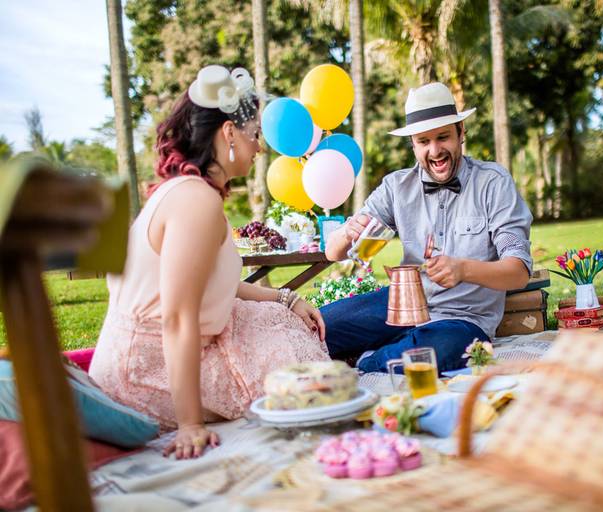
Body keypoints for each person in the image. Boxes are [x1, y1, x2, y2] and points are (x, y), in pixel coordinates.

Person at [89, 65, 328, 460]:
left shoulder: (193, 194)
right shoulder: (194, 200)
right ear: (229, 133)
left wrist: (286, 298)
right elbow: (178, 317)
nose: (259, 148)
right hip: (145, 372)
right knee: (293, 363)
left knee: (280, 325)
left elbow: (213, 284)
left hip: (167, 349)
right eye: (254, 136)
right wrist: (189, 426)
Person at [322, 82, 533, 374]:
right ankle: (391, 346)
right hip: (402, 304)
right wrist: (347, 232)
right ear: (413, 145)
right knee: (319, 326)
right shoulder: (397, 186)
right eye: (423, 141)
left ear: (461, 133)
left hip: (463, 319)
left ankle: (365, 360)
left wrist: (463, 270)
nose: (435, 151)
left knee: (435, 351)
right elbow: (333, 253)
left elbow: (519, 271)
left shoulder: (493, 183)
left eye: (443, 137)